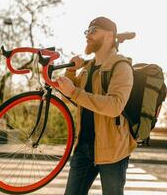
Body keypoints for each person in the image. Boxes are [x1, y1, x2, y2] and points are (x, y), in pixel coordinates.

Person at [56, 16, 137, 195]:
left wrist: (74, 92)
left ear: (109, 35)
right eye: (87, 31)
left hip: (113, 150)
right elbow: (69, 97)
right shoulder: (87, 68)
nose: (88, 35)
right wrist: (70, 72)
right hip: (83, 147)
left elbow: (115, 106)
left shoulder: (121, 67)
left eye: (94, 31)